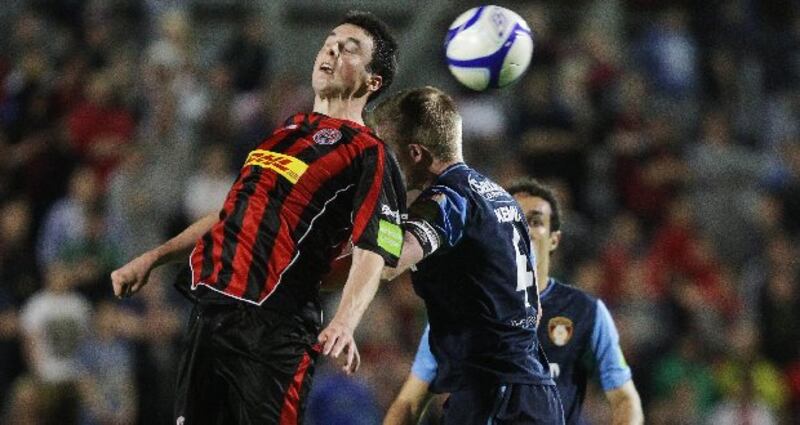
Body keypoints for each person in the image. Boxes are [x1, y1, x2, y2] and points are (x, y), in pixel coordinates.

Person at [110, 11, 403, 425]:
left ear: (373, 81)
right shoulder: (284, 131)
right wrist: (153, 257)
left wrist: (345, 321)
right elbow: (231, 214)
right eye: (330, 41)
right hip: (212, 310)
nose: (332, 49)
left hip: (273, 328)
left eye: (350, 48)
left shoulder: (368, 152)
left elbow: (378, 247)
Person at [372, 87, 564, 425]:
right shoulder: (502, 200)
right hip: (535, 393)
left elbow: (392, 258)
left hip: (492, 396)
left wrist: (379, 213)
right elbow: (534, 309)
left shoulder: (449, 198)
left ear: (415, 152)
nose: (379, 162)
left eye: (384, 149)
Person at [383, 179, 645, 425]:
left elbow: (624, 397)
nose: (523, 228)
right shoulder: (461, 310)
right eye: (514, 218)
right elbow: (409, 403)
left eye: (534, 221)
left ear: (554, 239)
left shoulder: (586, 311)